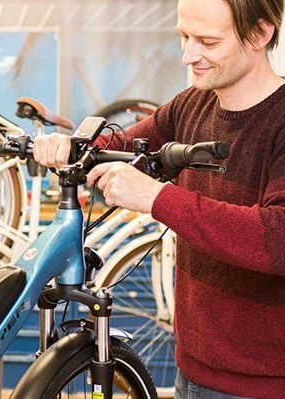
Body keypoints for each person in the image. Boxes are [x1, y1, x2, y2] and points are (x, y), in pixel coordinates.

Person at [33, 0, 285, 398]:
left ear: (260, 34)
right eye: (184, 36)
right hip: (192, 366)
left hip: (262, 385)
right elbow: (126, 142)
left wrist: (158, 197)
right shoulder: (192, 105)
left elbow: (278, 237)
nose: (188, 55)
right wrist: (72, 146)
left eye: (207, 41)